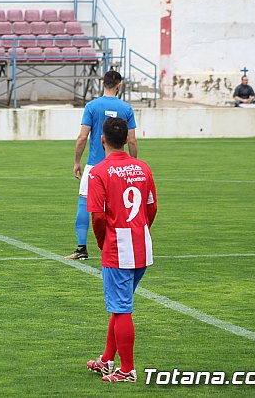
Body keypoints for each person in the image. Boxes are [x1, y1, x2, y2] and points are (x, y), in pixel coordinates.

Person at [85, 117, 157, 383]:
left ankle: (127, 369)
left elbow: (98, 217)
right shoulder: (143, 167)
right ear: (127, 140)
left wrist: (104, 243)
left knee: (122, 307)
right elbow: (151, 208)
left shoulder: (98, 172)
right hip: (142, 244)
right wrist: (140, 230)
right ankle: (106, 360)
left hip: (119, 247)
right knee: (119, 306)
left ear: (101, 140)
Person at [67, 70, 138, 260]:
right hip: (119, 167)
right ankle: (122, 246)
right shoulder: (126, 108)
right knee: (119, 206)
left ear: (102, 84)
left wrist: (76, 162)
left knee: (84, 204)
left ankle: (82, 248)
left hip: (95, 166)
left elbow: (83, 137)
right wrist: (133, 163)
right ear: (118, 85)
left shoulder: (92, 106)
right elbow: (132, 141)